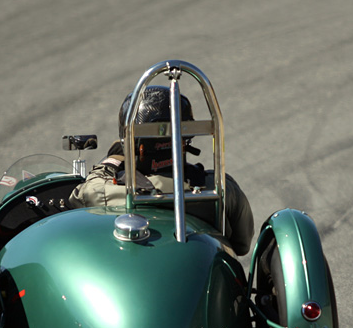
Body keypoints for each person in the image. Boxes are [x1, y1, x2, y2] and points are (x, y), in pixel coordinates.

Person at [69, 85, 255, 256]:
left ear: (132, 142)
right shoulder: (219, 189)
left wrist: (112, 161)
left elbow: (82, 195)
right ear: (184, 139)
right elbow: (243, 245)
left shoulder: (106, 191)